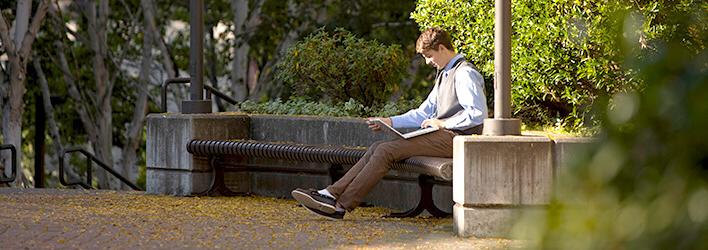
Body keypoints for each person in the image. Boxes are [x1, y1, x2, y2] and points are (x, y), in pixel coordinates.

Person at [291, 27, 488, 220]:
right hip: (443, 137)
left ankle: (341, 205)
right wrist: (390, 121)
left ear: (442, 49)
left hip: (456, 139)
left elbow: (477, 114)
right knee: (379, 147)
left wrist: (442, 123)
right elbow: (422, 113)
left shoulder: (464, 73)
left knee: (385, 151)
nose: (428, 62)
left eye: (429, 56)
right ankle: (331, 194)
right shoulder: (445, 73)